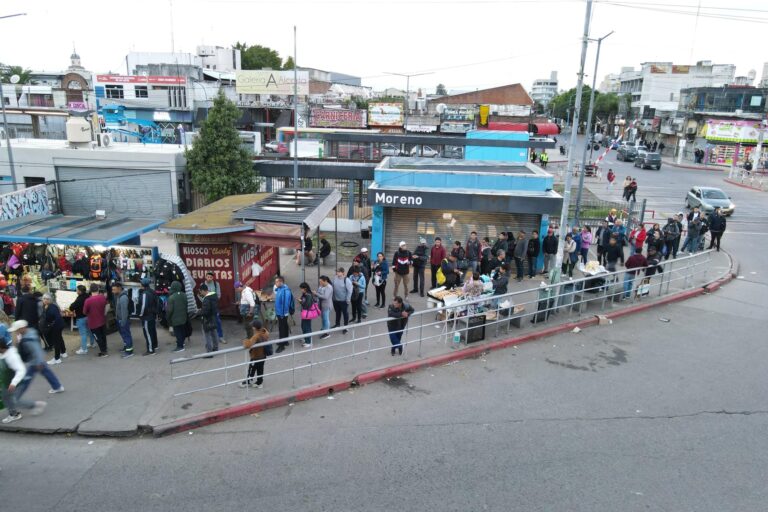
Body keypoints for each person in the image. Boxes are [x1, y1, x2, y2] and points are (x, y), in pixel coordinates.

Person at [10, 319, 64, 398]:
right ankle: (57, 386)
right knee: (47, 373)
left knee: (26, 379)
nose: (16, 332)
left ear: (22, 328)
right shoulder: (31, 332)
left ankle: (16, 397)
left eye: (17, 330)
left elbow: (36, 350)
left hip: (35, 361)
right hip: (37, 360)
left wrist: (38, 362)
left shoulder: (28, 339)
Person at [0, 336, 46, 424]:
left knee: (15, 400)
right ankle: (14, 414)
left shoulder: (12, 356)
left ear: (1, 347)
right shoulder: (1, 354)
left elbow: (21, 370)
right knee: (5, 397)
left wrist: (14, 383)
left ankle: (37, 405)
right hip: (6, 382)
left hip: (17, 382)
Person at [239, 319, 271, 389]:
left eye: (253, 326)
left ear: (254, 328)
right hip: (263, 355)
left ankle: (249, 381)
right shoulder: (264, 332)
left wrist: (244, 341)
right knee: (260, 369)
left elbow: (248, 344)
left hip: (256, 356)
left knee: (251, 369)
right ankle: (259, 382)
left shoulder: (256, 336)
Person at [83, 284, 109, 357]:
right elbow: (107, 306)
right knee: (103, 336)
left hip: (93, 323)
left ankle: (103, 352)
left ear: (90, 290)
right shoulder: (102, 297)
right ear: (98, 289)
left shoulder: (88, 300)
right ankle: (105, 349)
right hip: (102, 320)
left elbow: (84, 312)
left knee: (98, 338)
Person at [69, 285, 95, 355]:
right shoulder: (88, 296)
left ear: (80, 291)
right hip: (88, 316)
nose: (76, 291)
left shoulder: (79, 299)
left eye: (77, 290)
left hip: (81, 317)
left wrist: (71, 306)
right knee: (90, 331)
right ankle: (92, 343)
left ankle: (84, 349)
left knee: (83, 334)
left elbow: (72, 307)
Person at [41, 294, 66, 365]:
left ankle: (57, 358)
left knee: (56, 341)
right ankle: (63, 352)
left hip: (56, 326)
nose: (45, 300)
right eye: (44, 299)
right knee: (59, 339)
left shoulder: (52, 307)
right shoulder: (49, 306)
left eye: (46, 299)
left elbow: (57, 317)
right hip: (58, 325)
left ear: (50, 300)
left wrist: (52, 324)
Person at [111, 282, 134, 358]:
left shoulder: (123, 297)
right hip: (120, 319)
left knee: (127, 335)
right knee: (124, 335)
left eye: (114, 289)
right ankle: (126, 347)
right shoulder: (118, 296)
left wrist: (123, 322)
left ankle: (129, 351)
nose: (112, 291)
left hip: (123, 320)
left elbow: (124, 311)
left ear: (119, 288)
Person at [138, 278, 159, 355]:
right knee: (152, 331)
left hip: (146, 316)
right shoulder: (152, 291)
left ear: (143, 285)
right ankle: (155, 345)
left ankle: (150, 350)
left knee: (148, 333)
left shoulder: (145, 293)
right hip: (152, 315)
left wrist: (140, 315)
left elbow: (143, 306)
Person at [166, 281, 189, 352]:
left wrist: (168, 318)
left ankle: (180, 346)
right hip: (184, 317)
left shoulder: (171, 297)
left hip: (175, 319)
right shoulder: (184, 295)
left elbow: (169, 310)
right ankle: (182, 342)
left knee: (178, 332)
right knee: (182, 330)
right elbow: (186, 306)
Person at [274, 276, 294, 353]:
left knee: (282, 328)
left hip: (282, 313)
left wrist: (282, 314)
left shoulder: (285, 291)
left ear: (281, 282)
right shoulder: (280, 289)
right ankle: (285, 341)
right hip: (280, 312)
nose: (275, 283)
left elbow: (285, 304)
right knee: (284, 326)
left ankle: (281, 346)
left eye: (276, 282)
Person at [199, 284, 220, 354]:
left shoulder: (206, 299)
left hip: (206, 320)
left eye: (200, 291)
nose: (200, 293)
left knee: (207, 336)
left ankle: (209, 352)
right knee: (214, 333)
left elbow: (205, 311)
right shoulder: (214, 296)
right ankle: (216, 348)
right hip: (213, 318)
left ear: (203, 291)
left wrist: (199, 312)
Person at [205, 272, 225, 344]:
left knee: (218, 322)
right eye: (208, 277)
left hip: (214, 307)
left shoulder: (216, 284)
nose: (209, 278)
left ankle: (220, 337)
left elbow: (218, 295)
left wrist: (209, 297)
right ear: (206, 277)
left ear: (212, 278)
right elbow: (201, 296)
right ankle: (210, 339)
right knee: (207, 323)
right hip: (206, 307)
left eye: (211, 277)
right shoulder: (203, 285)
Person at [331, 268, 352, 334]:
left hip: (343, 301)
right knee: (337, 312)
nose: (337, 273)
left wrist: (348, 299)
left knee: (345, 313)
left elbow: (349, 291)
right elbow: (332, 287)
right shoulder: (335, 278)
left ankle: (346, 327)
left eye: (339, 272)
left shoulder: (347, 280)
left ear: (343, 272)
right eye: (337, 272)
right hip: (335, 300)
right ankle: (337, 324)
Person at [298, 282, 315, 348]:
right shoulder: (304, 294)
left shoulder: (308, 295)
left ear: (305, 288)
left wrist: (300, 301)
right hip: (304, 313)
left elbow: (307, 305)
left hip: (307, 313)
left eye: (301, 289)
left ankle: (309, 342)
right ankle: (306, 338)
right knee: (303, 326)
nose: (301, 290)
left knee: (306, 327)